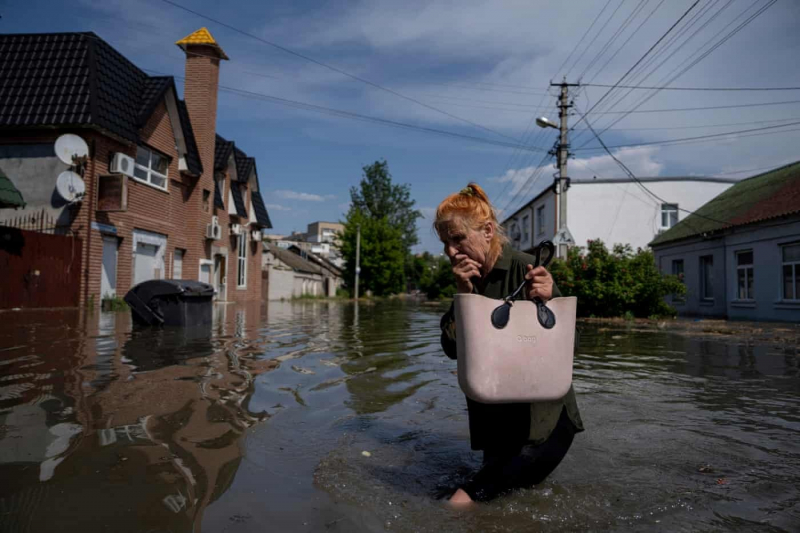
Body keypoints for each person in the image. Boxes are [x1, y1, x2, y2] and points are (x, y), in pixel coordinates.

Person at [435, 183, 584, 504]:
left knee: (461, 502)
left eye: (457, 239)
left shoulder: (525, 267)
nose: (450, 251)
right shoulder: (469, 278)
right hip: (497, 426)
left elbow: (571, 348)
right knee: (502, 502)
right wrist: (463, 295)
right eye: (445, 243)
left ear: (488, 231)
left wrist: (548, 298)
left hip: (541, 425)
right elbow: (452, 350)